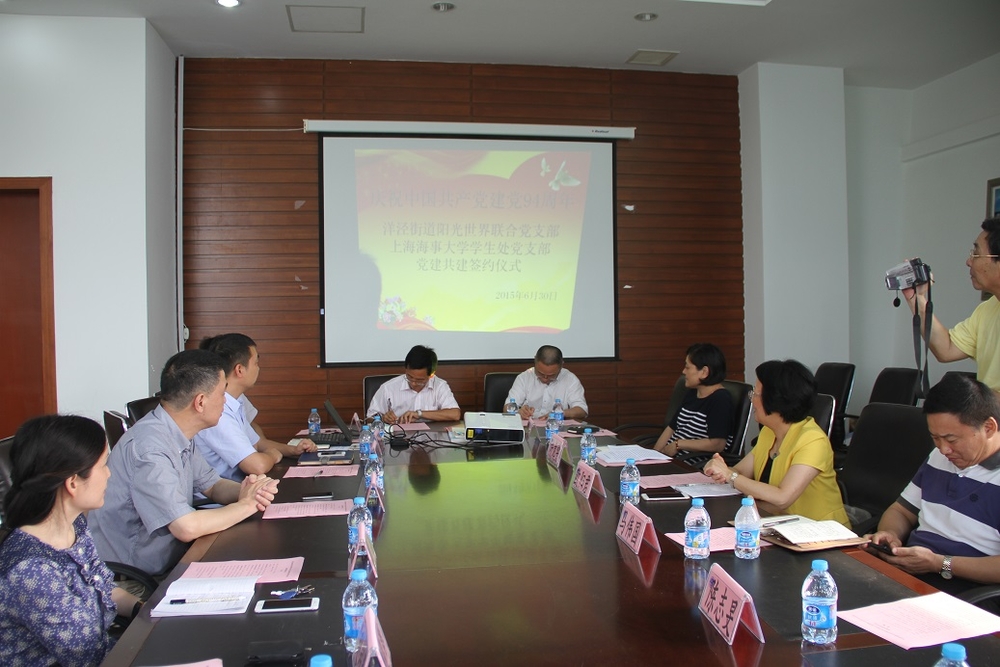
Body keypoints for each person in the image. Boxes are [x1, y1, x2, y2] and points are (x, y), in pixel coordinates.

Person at [89, 349, 279, 577]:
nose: (225, 402)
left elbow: (213, 486)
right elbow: (185, 527)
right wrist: (246, 505)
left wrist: (250, 491)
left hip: (175, 558)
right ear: (200, 402)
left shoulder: (177, 432)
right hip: (138, 577)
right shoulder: (150, 448)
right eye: (222, 394)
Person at [0, 415, 141, 667]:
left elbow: (103, 586)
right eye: (103, 465)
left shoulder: (73, 525)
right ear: (73, 482)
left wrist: (142, 610)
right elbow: (88, 658)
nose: (109, 473)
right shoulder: (33, 571)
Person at [865, 373, 1000, 597]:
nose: (943, 449)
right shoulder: (940, 456)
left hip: (966, 592)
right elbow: (902, 510)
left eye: (951, 439)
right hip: (909, 572)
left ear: (988, 427)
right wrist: (890, 533)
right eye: (935, 438)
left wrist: (939, 563)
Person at [704, 360, 850, 527]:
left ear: (776, 400)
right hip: (777, 525)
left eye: (756, 394)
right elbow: (741, 471)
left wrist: (730, 476)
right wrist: (720, 470)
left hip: (820, 531)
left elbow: (782, 498)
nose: (751, 400)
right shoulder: (769, 431)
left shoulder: (813, 441)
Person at [195, 333, 316, 481]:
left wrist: (293, 450)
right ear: (240, 370)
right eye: (256, 363)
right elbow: (256, 466)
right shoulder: (218, 410)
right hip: (226, 492)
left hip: (244, 486)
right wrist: (272, 455)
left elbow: (257, 443)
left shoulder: (235, 401)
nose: (258, 369)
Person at [902, 216, 1000, 391]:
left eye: (976, 254)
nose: (968, 261)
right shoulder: (987, 309)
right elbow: (946, 349)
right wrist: (918, 299)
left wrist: (979, 404)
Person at [652, 343, 734, 464]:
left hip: (691, 465)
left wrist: (678, 444)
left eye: (687, 367)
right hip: (670, 460)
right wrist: (654, 455)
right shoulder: (692, 393)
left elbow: (717, 444)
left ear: (704, 372)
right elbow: (671, 428)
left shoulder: (720, 399)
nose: (683, 371)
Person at [366, 345, 460, 424]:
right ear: (406, 369)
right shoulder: (388, 387)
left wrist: (420, 414)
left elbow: (455, 414)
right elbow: (369, 419)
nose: (413, 383)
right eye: (409, 377)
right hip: (398, 437)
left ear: (431, 375)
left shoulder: (440, 386)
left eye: (420, 380)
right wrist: (383, 419)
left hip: (432, 436)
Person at [509, 345, 588, 420]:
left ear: (561, 365)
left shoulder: (570, 379)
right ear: (535, 361)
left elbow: (582, 410)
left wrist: (560, 413)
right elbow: (507, 407)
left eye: (551, 375)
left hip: (556, 426)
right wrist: (520, 411)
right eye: (540, 374)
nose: (545, 379)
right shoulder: (524, 378)